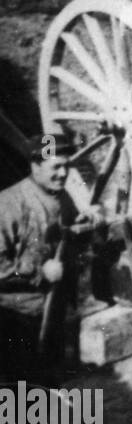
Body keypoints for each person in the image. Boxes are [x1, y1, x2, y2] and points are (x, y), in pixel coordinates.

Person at [0, 133, 79, 383]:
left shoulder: (62, 198)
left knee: (47, 383)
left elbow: (71, 237)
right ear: (35, 166)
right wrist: (39, 272)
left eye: (67, 166)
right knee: (21, 386)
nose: (64, 174)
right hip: (16, 315)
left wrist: (87, 223)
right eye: (56, 167)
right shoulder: (9, 204)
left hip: (52, 309)